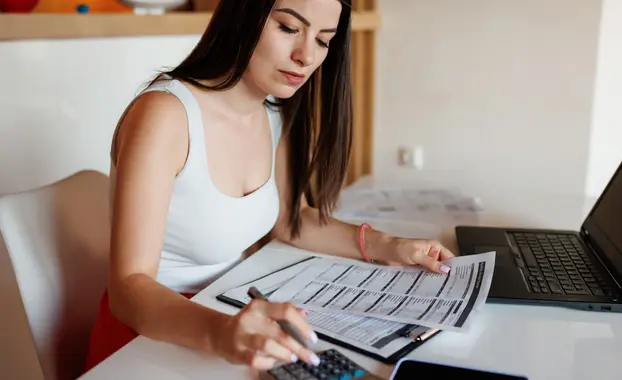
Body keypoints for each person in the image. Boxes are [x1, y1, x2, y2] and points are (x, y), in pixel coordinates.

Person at [85, 0, 454, 373]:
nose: (306, 56)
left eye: (324, 40)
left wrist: (388, 245)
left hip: (228, 310)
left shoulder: (273, 109)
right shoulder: (164, 115)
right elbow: (128, 289)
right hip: (151, 337)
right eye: (289, 28)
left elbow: (290, 221)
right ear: (242, 15)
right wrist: (223, 333)